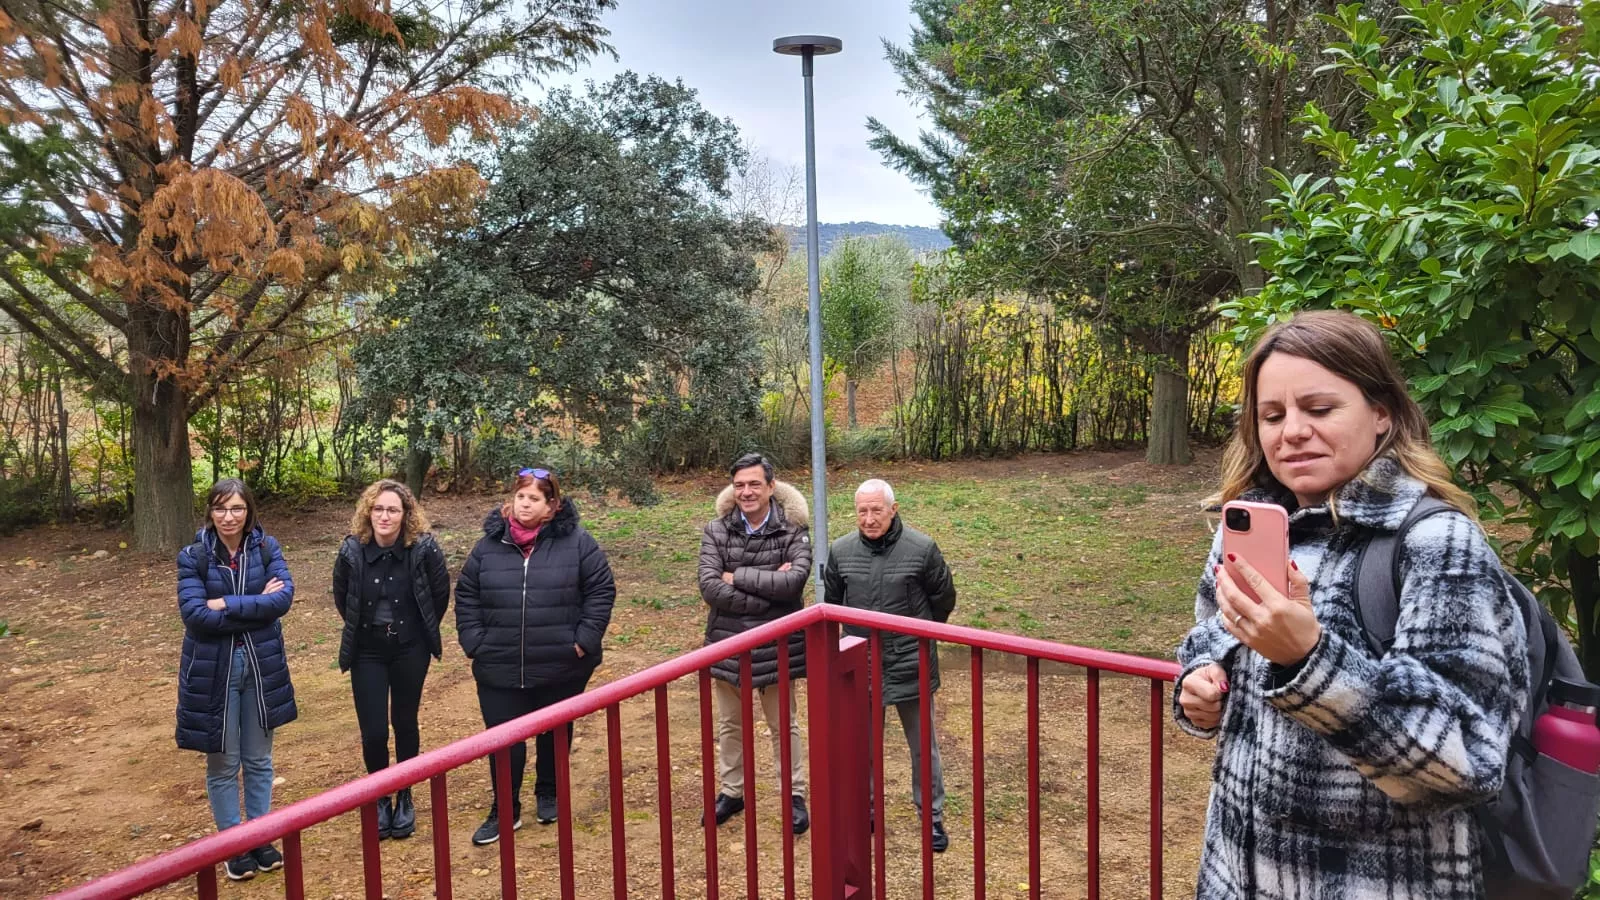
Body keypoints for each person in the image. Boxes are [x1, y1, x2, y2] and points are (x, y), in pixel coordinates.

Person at [1173, 310, 1528, 899]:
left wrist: (1309, 660)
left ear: (1381, 414)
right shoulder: (1250, 527)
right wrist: (1200, 686)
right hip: (1236, 873)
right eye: (1272, 415)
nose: (1291, 432)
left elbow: (1466, 760)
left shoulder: (1436, 544)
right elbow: (1208, 636)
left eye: (1319, 409)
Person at [455, 467, 615, 845]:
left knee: (554, 732)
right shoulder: (488, 546)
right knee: (503, 739)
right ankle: (504, 809)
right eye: (520, 497)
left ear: (552, 506)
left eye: (534, 499)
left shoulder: (578, 543)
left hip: (561, 662)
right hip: (498, 663)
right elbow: (466, 595)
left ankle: (549, 792)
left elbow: (601, 590)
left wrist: (583, 641)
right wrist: (475, 641)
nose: (525, 505)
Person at [175, 478, 298, 883]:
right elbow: (195, 616)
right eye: (220, 508)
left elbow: (282, 600)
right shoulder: (193, 556)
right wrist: (256, 605)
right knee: (224, 762)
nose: (229, 517)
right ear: (210, 512)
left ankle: (260, 836)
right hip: (216, 672)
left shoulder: (266, 547)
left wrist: (227, 602)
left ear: (249, 512)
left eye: (237, 509)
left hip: (261, 669)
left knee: (259, 759)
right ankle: (232, 844)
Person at [824, 478, 956, 852]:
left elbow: (943, 598)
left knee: (922, 747)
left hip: (909, 664)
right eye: (862, 511)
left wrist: (917, 637)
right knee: (861, 746)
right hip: (860, 665)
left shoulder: (922, 548)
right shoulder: (841, 550)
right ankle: (864, 811)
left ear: (893, 510)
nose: (869, 519)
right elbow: (833, 602)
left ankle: (931, 817)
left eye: (876, 510)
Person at [698, 452, 812, 835]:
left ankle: (793, 795)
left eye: (754, 484)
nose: (746, 492)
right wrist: (767, 589)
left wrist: (738, 576)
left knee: (784, 724)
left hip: (778, 644)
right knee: (730, 723)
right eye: (740, 485)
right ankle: (732, 792)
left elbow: (794, 582)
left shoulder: (793, 529)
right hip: (729, 641)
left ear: (771, 487)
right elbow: (710, 586)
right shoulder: (716, 529)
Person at [332, 479, 451, 840]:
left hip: (409, 647)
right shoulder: (352, 550)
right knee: (373, 731)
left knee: (405, 722)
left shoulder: (424, 548)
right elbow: (343, 597)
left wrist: (418, 630)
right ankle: (380, 795)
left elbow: (439, 594)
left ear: (405, 515)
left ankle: (405, 794)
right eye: (379, 509)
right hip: (367, 650)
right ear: (369, 512)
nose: (385, 516)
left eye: (393, 510)